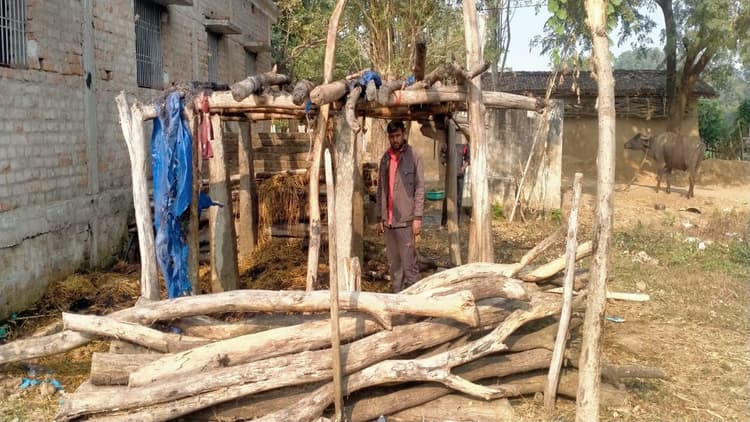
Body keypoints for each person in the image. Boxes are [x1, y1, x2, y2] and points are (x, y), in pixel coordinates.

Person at [375, 119, 425, 293]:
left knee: (409, 265)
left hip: (405, 221)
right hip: (388, 222)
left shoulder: (414, 157)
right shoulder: (385, 158)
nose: (394, 139)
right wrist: (379, 217)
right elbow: (381, 189)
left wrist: (417, 217)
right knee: (394, 266)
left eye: (397, 136)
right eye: (391, 136)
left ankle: (416, 302)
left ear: (403, 134)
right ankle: (397, 299)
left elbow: (420, 188)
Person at [440, 141, 470, 226]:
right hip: (450, 175)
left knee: (458, 198)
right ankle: (444, 222)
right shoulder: (446, 142)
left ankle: (456, 222)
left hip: (460, 176)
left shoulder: (464, 145)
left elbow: (467, 159)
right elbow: (442, 158)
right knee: (447, 197)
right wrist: (448, 167)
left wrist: (462, 168)